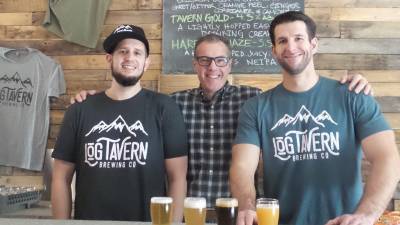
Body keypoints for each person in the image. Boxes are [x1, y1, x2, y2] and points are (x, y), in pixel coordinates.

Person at [72, 34, 372, 210]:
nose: (212, 67)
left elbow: (297, 103)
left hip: (240, 210)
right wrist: (93, 98)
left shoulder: (255, 101)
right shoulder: (172, 104)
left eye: (219, 61)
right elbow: (129, 103)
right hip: (189, 211)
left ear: (230, 64)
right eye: (204, 60)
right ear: (194, 65)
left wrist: (352, 83)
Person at [230, 11, 400, 225]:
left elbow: (387, 157)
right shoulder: (255, 107)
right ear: (274, 51)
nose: (291, 47)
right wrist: (246, 206)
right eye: (282, 41)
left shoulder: (353, 96)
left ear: (314, 44)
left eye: (298, 38)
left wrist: (366, 215)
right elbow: (242, 167)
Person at [51, 24, 188, 222]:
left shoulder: (165, 108)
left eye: (137, 52)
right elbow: (60, 179)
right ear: (110, 59)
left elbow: (177, 178)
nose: (130, 57)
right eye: (122, 51)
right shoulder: (79, 110)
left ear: (146, 62)